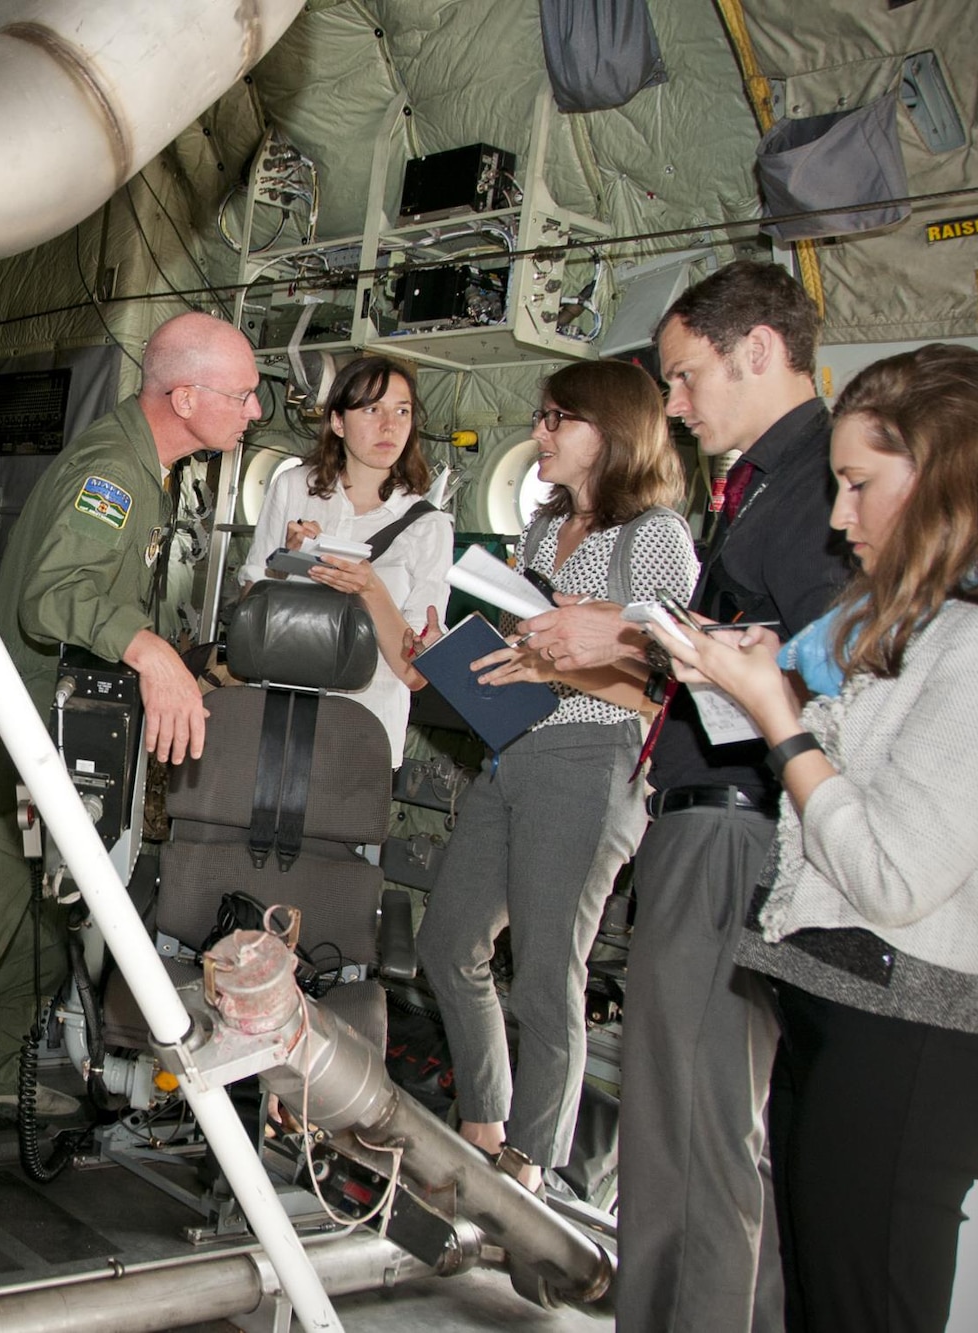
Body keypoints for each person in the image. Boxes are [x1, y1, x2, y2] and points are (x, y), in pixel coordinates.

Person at [0, 311, 262, 1261]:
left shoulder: (147, 472)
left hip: (52, 735)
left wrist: (181, 654)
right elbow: (52, 597)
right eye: (239, 393)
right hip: (10, 743)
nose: (250, 410)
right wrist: (148, 647)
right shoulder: (115, 475)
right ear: (185, 396)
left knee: (46, 915)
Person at [516, 261, 854, 1333]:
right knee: (670, 1114)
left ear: (756, 349)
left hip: (736, 829)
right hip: (703, 818)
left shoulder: (808, 491)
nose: (671, 404)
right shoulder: (760, 483)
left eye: (682, 376)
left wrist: (622, 634)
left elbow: (819, 667)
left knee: (700, 1125)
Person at [645, 344, 978, 1333]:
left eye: (857, 485)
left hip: (916, 1029)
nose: (839, 517)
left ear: (940, 480)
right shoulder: (915, 627)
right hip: (844, 1003)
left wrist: (781, 720)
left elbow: (890, 872)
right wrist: (766, 682)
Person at [414, 359, 696, 1195]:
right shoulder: (540, 531)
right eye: (539, 416)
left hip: (591, 761)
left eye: (555, 419)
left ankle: (529, 1165)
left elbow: (665, 682)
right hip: (514, 755)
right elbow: (527, 652)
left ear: (606, 433)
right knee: (447, 938)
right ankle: (485, 1119)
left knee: (545, 974)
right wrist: (458, 655)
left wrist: (557, 670)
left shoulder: (652, 538)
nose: (538, 433)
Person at [239, 354, 453, 760]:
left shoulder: (429, 526)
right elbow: (250, 612)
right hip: (279, 715)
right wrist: (283, 565)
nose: (390, 425)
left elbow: (413, 673)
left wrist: (370, 589)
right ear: (338, 422)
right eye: (372, 409)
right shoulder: (293, 488)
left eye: (402, 411)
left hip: (363, 732)